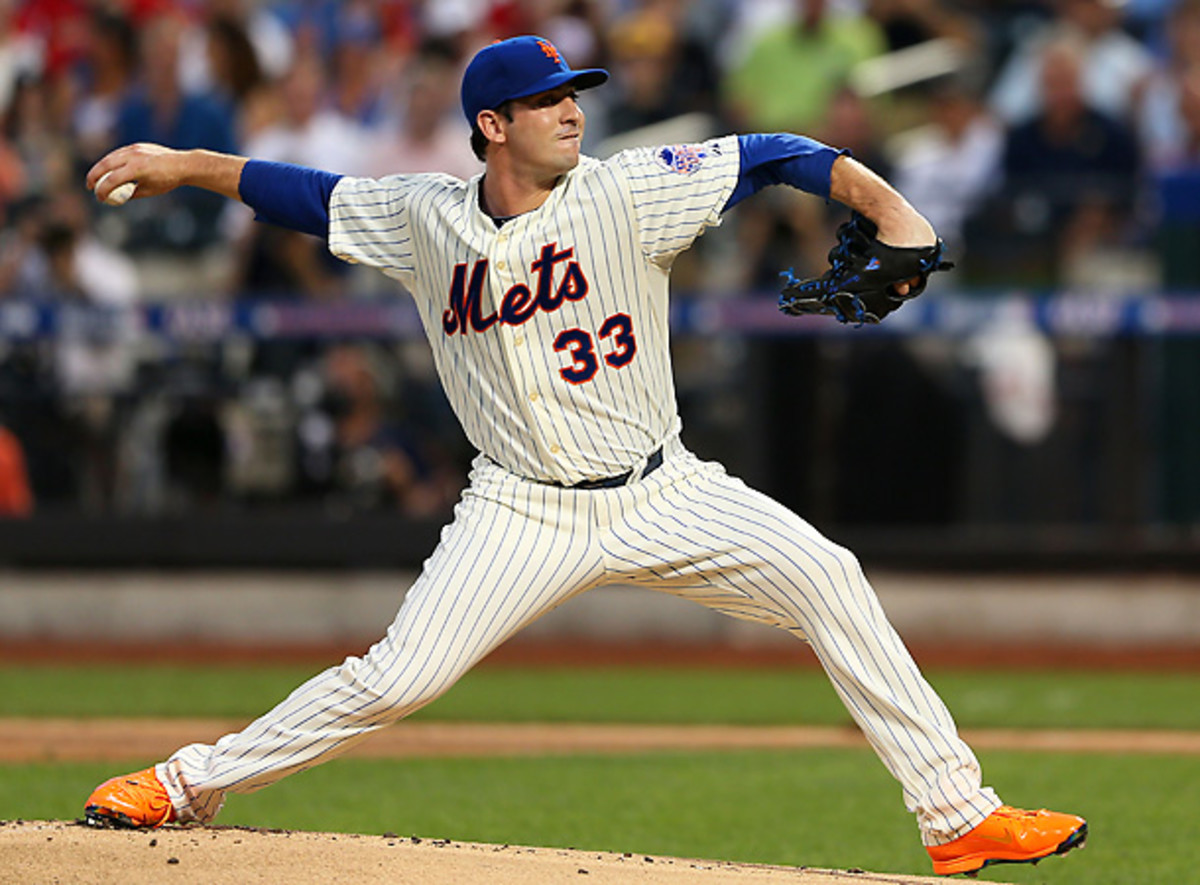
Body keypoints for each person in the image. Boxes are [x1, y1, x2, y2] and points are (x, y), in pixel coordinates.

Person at [81, 35, 1087, 877]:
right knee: (396, 681)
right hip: (520, 509)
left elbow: (777, 153)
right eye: (546, 100)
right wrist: (182, 163)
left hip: (663, 488)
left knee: (829, 575)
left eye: (574, 95)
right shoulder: (425, 217)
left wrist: (889, 210)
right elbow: (303, 192)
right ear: (493, 125)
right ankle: (184, 784)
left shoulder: (630, 190)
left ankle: (955, 814)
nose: (571, 111)